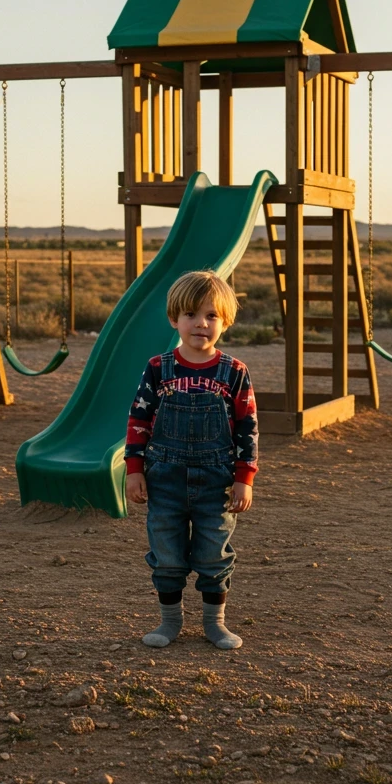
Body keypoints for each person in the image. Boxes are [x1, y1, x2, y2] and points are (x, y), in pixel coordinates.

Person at [124, 270, 259, 650]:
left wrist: (243, 477)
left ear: (225, 322)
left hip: (215, 481)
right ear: (174, 319)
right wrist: (134, 471)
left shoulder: (234, 373)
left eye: (211, 315)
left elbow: (247, 427)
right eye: (191, 315)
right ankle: (170, 622)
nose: (201, 323)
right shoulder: (158, 369)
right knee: (166, 555)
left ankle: (215, 624)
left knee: (213, 554)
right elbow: (138, 420)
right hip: (164, 477)